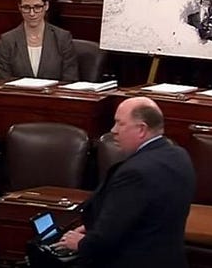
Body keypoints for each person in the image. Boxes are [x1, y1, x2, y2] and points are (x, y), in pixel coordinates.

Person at [56, 97, 196, 268]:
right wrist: (93, 225)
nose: (113, 130)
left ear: (141, 129)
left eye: (120, 123)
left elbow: (107, 239)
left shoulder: (135, 172)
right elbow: (147, 217)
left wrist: (81, 243)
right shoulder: (180, 155)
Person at [0, 0, 79, 81]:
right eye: (26, 7)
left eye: (37, 7)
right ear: (19, 7)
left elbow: (70, 81)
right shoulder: (7, 41)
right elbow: (3, 83)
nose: (32, 13)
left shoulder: (62, 38)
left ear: (46, 6)